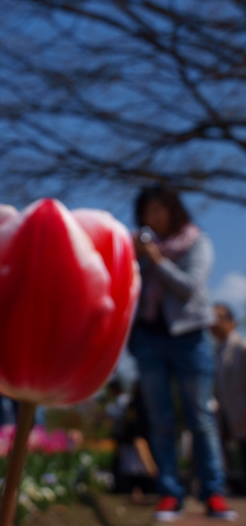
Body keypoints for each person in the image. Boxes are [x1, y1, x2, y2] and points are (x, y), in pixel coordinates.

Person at [127, 185, 236, 521]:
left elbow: (189, 288)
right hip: (148, 338)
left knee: (201, 418)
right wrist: (131, 257)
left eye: (159, 209)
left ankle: (213, 492)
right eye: (147, 211)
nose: (153, 217)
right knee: (160, 420)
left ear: (173, 211)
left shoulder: (196, 242)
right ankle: (170, 493)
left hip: (189, 337)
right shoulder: (140, 252)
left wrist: (156, 259)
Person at [211, 303, 246, 493]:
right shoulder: (218, 351)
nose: (213, 324)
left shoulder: (241, 347)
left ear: (230, 322)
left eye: (218, 318)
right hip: (229, 416)